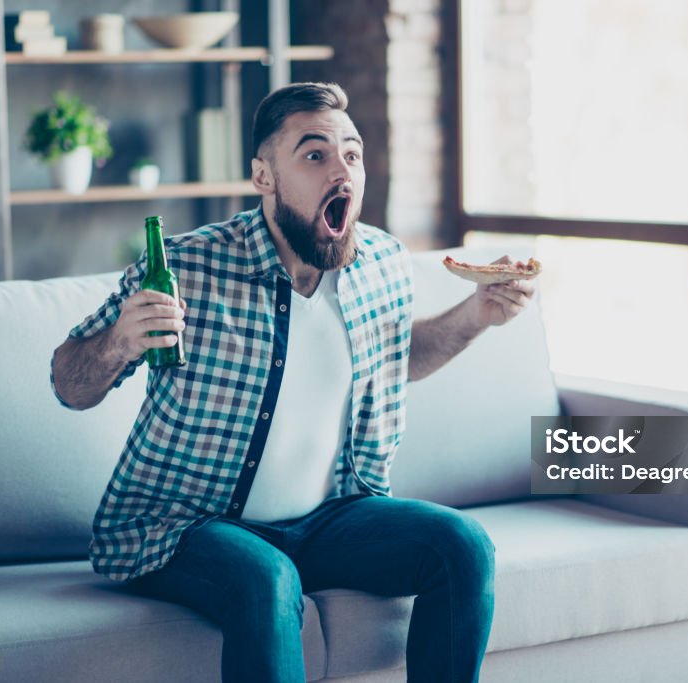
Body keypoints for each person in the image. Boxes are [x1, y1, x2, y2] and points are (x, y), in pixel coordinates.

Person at [50, 82, 535, 683]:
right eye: (315, 155)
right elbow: (70, 385)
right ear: (263, 176)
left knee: (461, 545)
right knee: (267, 577)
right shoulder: (186, 268)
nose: (343, 171)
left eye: (351, 154)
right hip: (183, 526)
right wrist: (118, 344)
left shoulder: (382, 262)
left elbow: (393, 357)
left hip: (332, 518)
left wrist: (475, 316)